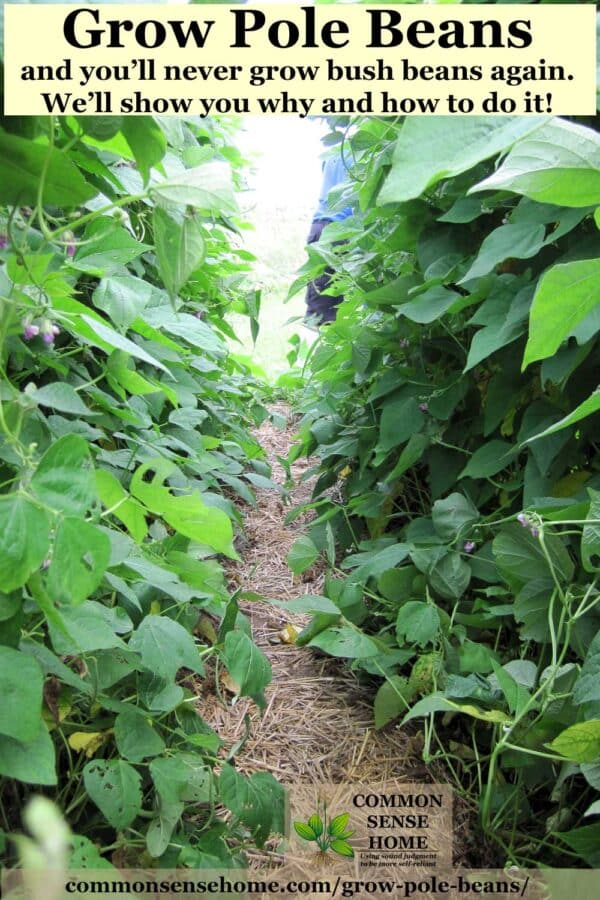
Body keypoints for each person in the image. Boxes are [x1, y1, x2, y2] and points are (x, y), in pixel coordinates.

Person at [305, 152, 353, 326]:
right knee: (331, 304)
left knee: (319, 299)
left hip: (319, 227)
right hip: (342, 228)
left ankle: (314, 346)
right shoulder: (362, 154)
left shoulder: (332, 154)